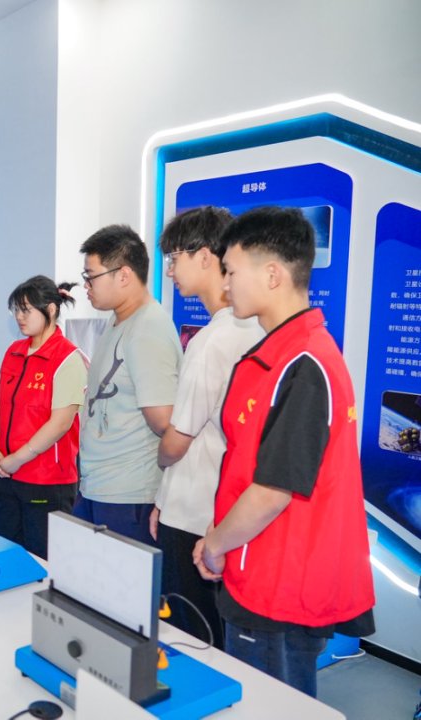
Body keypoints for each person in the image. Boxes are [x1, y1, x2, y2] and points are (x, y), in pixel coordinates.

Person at [194, 206, 375, 696]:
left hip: (279, 583)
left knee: (271, 704)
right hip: (256, 568)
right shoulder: (281, 355)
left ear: (272, 274)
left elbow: (271, 492)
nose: (225, 285)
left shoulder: (305, 364)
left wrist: (215, 545)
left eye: (232, 271)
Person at [151, 208, 264, 648]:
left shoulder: (211, 341)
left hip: (193, 511)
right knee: (219, 637)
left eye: (173, 258)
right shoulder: (259, 330)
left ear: (204, 256)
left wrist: (161, 466)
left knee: (190, 636)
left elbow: (178, 441)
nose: (170, 271)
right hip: (227, 512)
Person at [76, 224, 183, 545]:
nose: (86, 286)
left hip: (128, 495)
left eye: (91, 277)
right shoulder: (119, 319)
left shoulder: (148, 330)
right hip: (99, 484)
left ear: (123, 275)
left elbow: (164, 422)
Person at [0, 276, 86, 559]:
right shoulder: (14, 352)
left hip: (45, 479)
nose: (19, 317)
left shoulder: (67, 358)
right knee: (7, 553)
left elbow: (60, 423)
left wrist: (18, 458)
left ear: (50, 309)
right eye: (16, 310)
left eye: (26, 310)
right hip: (6, 474)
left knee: (42, 560)